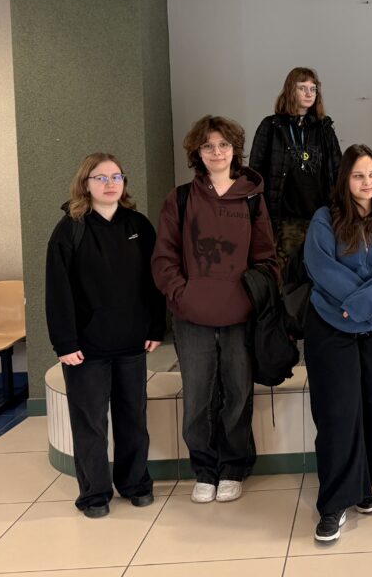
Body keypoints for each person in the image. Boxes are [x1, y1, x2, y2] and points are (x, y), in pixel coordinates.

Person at [152, 115, 278, 504]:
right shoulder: (180, 199)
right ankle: (205, 470)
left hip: (240, 316)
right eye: (208, 146)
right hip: (192, 317)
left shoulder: (252, 198)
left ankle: (234, 467)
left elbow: (267, 258)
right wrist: (182, 295)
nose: (217, 152)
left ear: (234, 150)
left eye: (223, 145)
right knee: (198, 397)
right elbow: (163, 258)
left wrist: (249, 297)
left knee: (238, 393)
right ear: (198, 152)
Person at [45, 152, 165, 519]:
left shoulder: (139, 225)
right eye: (101, 177)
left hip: (132, 342)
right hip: (86, 349)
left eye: (116, 177)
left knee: (133, 419)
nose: (110, 184)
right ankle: (95, 494)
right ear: (85, 184)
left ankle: (135, 483)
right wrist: (65, 344)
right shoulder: (70, 230)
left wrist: (156, 326)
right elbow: (58, 291)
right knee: (91, 424)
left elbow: (154, 283)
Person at [303, 145, 372, 542]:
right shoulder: (324, 218)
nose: (367, 182)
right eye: (358, 175)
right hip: (332, 324)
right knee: (338, 412)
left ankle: (363, 485)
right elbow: (320, 268)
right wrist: (362, 305)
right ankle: (333, 503)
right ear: (345, 179)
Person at [249, 67, 341, 267]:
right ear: (291, 90)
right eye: (302, 88)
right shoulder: (271, 127)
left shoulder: (324, 129)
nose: (309, 94)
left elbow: (338, 172)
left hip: (320, 216)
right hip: (284, 219)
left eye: (313, 89)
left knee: (319, 270)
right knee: (289, 272)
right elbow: (255, 175)